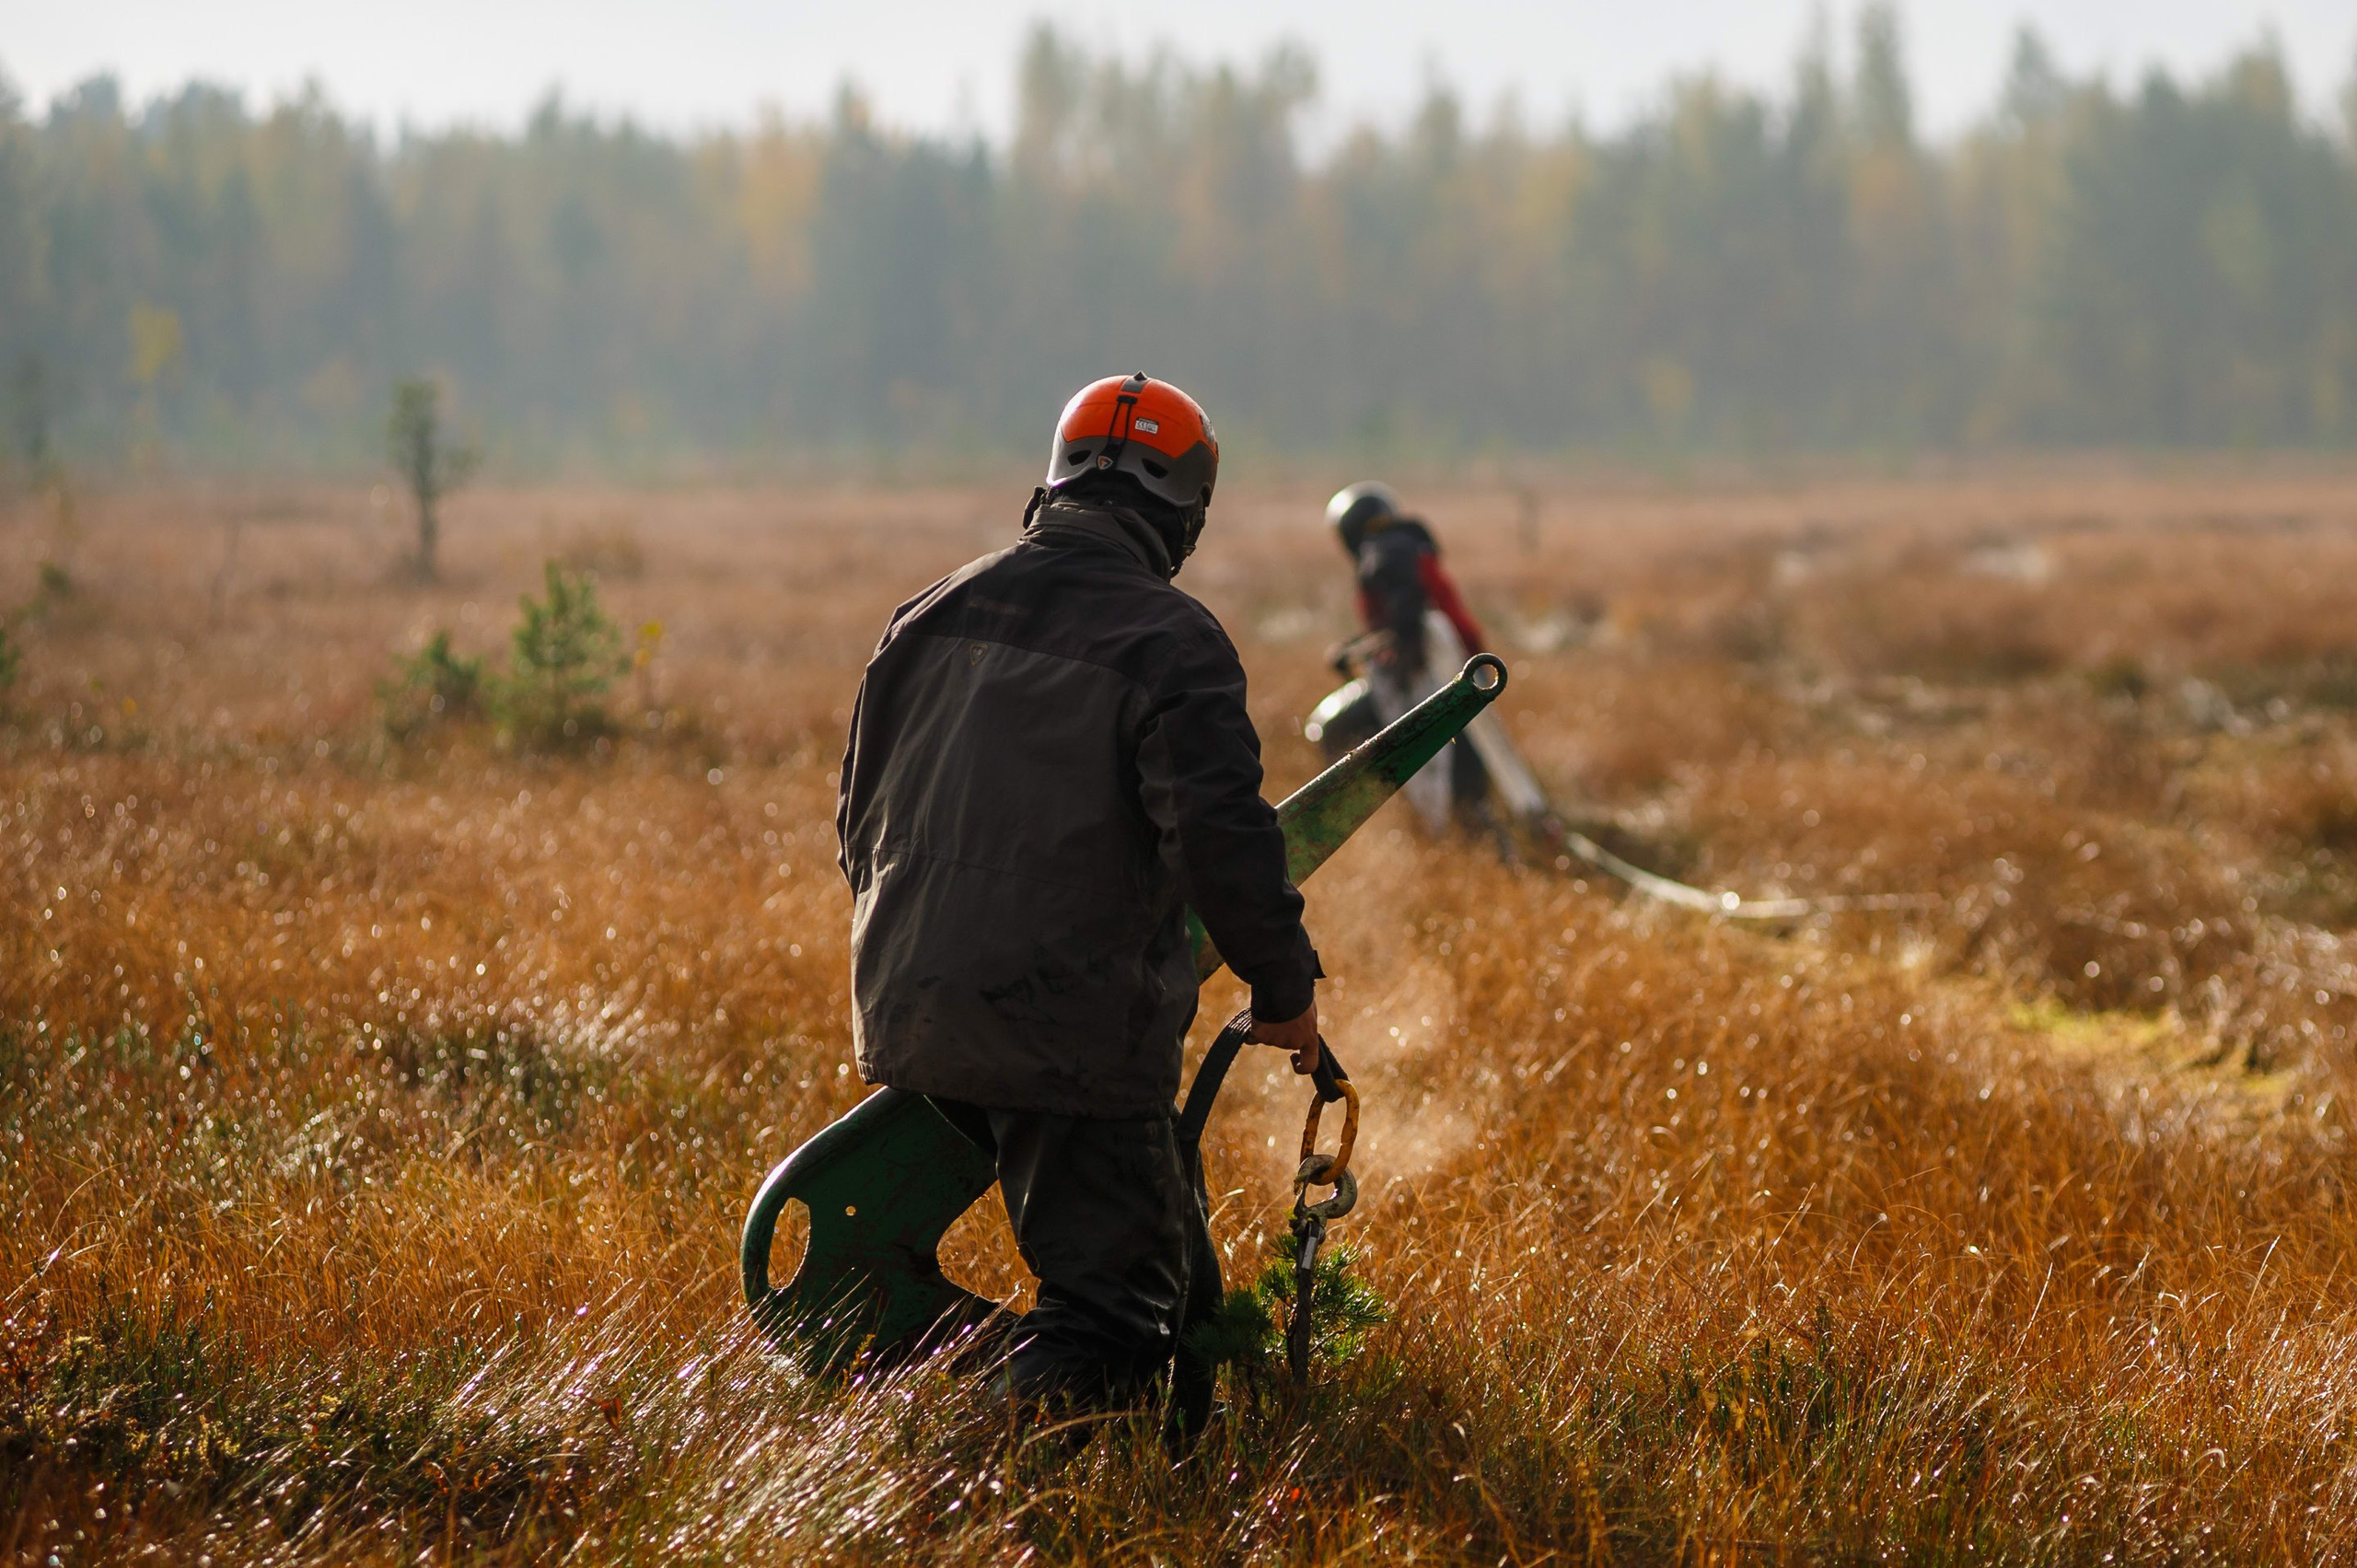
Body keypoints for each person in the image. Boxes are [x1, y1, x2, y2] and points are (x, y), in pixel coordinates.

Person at [835, 373, 1324, 1412]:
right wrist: (1285, 987)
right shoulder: (1170, 641)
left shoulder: (926, 611)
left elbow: (854, 818)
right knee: (1111, 1323)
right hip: (1061, 1024)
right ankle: (936, 1476)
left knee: (1146, 1260)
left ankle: (1189, 1445)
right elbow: (1220, 841)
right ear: (1183, 511)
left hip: (906, 1004)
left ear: (1054, 481)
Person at [1325, 482, 1491, 831]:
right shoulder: (1409, 546)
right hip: (1461, 668)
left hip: (1433, 678)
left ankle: (1351, 817)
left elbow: (1404, 616)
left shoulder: (1385, 550)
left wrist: (1392, 645)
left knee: (1333, 727)